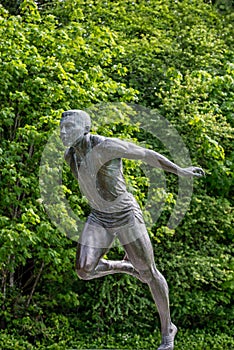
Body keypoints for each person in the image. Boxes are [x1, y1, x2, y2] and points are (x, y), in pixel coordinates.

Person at [60, 109, 205, 350]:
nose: (63, 132)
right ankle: (125, 266)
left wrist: (179, 170)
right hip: (99, 216)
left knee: (149, 273)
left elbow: (145, 154)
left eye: (70, 127)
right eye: (61, 128)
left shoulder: (106, 146)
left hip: (125, 214)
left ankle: (168, 329)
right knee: (84, 270)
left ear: (85, 128)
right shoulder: (70, 156)